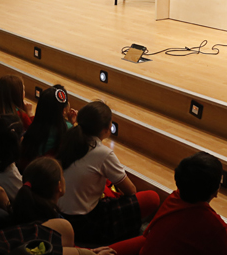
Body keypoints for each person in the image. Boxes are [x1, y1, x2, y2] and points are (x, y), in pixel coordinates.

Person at [57, 101, 160, 245]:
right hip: (84, 223)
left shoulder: (69, 139)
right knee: (152, 198)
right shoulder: (103, 153)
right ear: (106, 128)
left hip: (61, 216)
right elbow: (130, 190)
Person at [20, 85, 77, 168]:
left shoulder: (33, 128)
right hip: (49, 174)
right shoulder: (68, 129)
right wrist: (71, 124)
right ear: (64, 110)